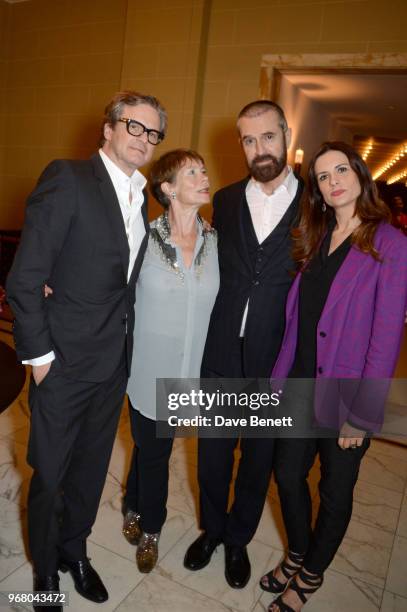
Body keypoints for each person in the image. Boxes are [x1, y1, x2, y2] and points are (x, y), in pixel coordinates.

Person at [6, 90, 166, 611]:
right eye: (134, 126)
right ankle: (44, 575)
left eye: (153, 132)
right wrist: (40, 358)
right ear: (109, 129)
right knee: (50, 475)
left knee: (92, 471)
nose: (143, 138)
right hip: (64, 361)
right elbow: (25, 278)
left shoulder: (144, 199)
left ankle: (75, 554)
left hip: (113, 364)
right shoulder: (68, 179)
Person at [260, 142, 407, 611]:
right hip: (300, 384)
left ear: (361, 176)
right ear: (318, 190)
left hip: (346, 393)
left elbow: (385, 339)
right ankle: (299, 553)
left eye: (341, 170)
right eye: (323, 176)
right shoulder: (317, 236)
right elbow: (298, 322)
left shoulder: (390, 243)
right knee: (286, 475)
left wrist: (362, 415)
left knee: (334, 491)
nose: (333, 181)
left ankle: (310, 576)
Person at [184, 100, 304, 588]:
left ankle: (237, 540)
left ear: (286, 133)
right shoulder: (227, 200)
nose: (260, 149)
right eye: (249, 140)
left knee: (257, 461)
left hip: (274, 358)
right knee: (212, 454)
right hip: (220, 351)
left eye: (268, 137)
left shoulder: (315, 203)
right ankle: (211, 530)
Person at [120, 149, 219, 573]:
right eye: (191, 172)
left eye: (203, 170)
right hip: (146, 370)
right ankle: (152, 529)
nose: (203, 177)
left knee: (150, 445)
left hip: (188, 373)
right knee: (157, 452)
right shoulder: (144, 236)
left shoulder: (216, 240)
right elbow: (112, 286)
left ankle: (130, 503)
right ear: (167, 188)